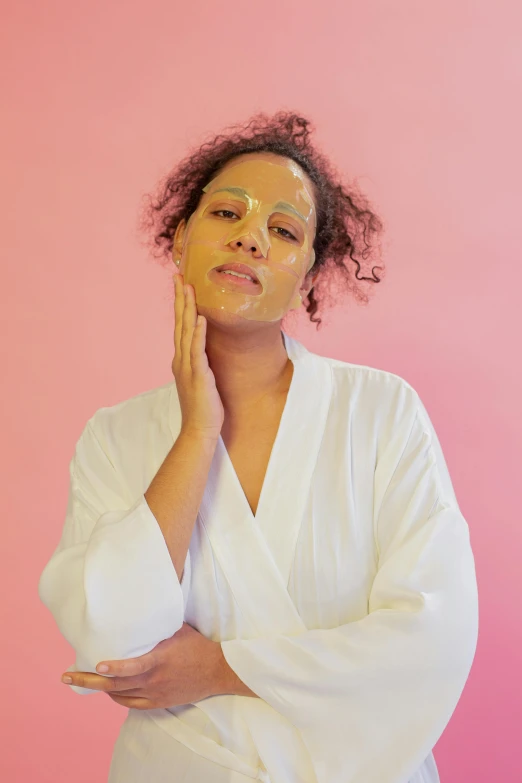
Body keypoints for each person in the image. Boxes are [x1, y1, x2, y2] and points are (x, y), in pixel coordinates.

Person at [38, 111, 478, 783]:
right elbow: (111, 641)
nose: (250, 238)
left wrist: (218, 668)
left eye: (283, 230)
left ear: (307, 275)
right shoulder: (115, 437)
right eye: (225, 214)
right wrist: (195, 436)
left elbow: (431, 636)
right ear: (180, 237)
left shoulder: (381, 413)